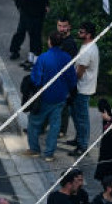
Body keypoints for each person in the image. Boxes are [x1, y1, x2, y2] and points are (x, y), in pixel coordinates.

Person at [27, 31, 78, 161]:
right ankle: (49, 153)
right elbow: (72, 79)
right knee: (55, 125)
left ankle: (34, 149)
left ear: (49, 42)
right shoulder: (67, 58)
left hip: (44, 96)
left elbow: (36, 78)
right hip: (60, 96)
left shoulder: (43, 57)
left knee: (34, 122)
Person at [68, 21, 100, 158]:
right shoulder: (88, 46)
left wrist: (69, 82)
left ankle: (82, 145)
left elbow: (79, 73)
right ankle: (79, 138)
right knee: (76, 114)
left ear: (89, 35)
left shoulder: (88, 51)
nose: (78, 33)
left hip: (82, 88)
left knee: (81, 118)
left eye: (81, 32)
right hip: (83, 87)